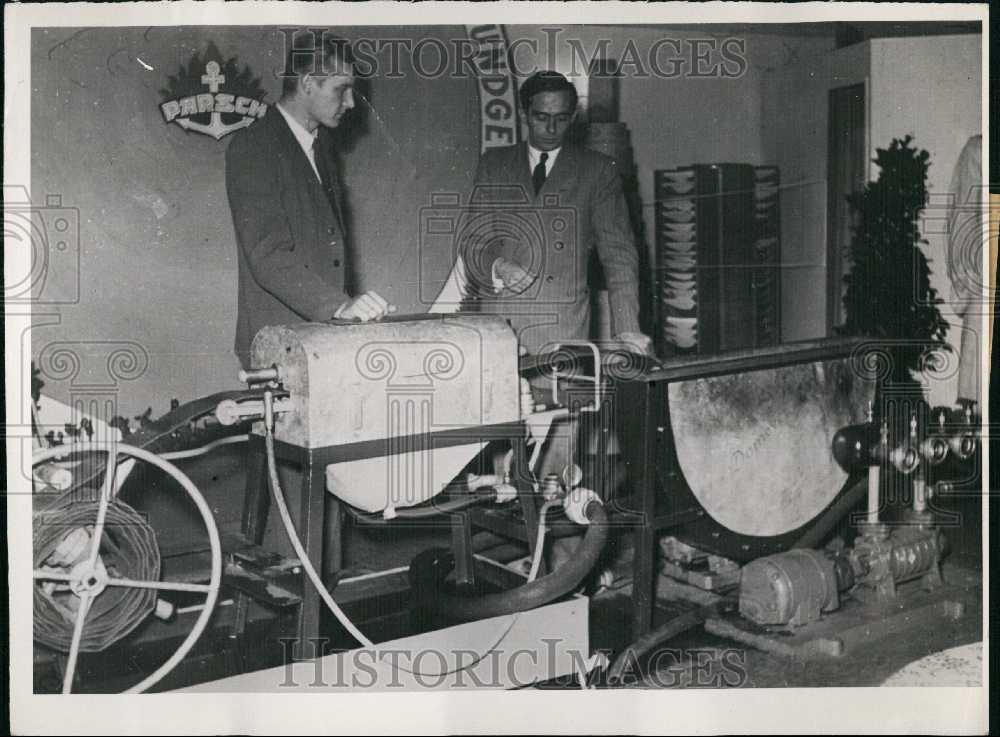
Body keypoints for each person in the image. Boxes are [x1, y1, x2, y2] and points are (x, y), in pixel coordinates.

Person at [225, 34, 392, 369]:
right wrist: (338, 306)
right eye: (341, 89)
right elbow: (268, 255)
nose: (351, 103)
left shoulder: (323, 149)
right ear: (307, 84)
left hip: (321, 343)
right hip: (278, 350)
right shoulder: (253, 147)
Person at [463, 70, 651, 359]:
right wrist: (499, 265)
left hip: (563, 328)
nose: (551, 128)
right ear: (525, 114)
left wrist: (627, 328)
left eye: (561, 118)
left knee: (561, 403)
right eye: (541, 117)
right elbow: (473, 240)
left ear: (573, 116)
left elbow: (619, 255)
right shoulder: (494, 164)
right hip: (500, 325)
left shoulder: (598, 170)